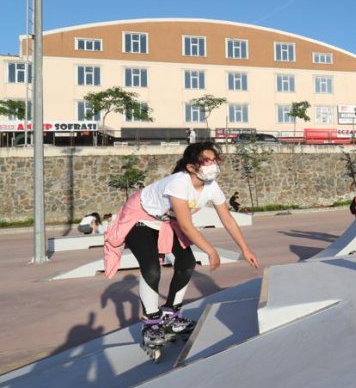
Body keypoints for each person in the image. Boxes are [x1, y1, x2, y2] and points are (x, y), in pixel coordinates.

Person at [102, 142, 259, 350]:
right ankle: (151, 323)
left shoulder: (211, 186)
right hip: (140, 217)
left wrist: (244, 249)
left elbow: (227, 219)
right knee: (151, 269)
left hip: (166, 221)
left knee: (187, 262)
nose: (211, 165)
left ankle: (171, 315)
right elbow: (186, 225)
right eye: (205, 161)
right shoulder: (179, 183)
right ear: (191, 166)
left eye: (214, 160)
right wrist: (211, 251)